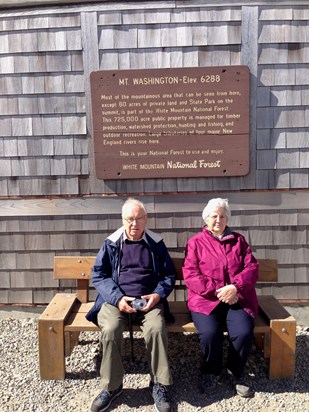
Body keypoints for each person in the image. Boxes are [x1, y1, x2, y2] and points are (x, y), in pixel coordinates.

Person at [87, 198, 176, 412]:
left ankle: (159, 384)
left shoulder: (156, 243)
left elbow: (168, 275)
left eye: (138, 218)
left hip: (149, 302)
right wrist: (117, 298)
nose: (134, 224)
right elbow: (98, 275)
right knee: (110, 328)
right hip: (116, 300)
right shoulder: (111, 243)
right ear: (122, 219)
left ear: (146, 219)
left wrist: (157, 295)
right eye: (129, 219)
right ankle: (112, 386)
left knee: (156, 328)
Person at [182, 198, 259, 398]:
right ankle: (211, 370)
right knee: (209, 333)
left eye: (222, 216)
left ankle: (236, 371)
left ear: (227, 219)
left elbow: (252, 267)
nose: (218, 220)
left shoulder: (239, 241)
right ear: (206, 218)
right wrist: (221, 291)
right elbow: (191, 275)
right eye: (214, 216)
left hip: (237, 297)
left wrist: (235, 287)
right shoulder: (196, 243)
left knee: (243, 332)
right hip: (206, 299)